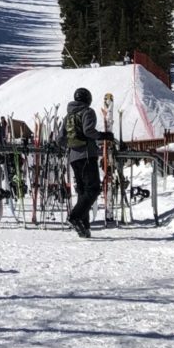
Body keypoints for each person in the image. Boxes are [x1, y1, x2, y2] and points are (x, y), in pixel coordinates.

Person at [64, 87, 113, 238]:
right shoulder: (87, 112)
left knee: (82, 191)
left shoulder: (68, 116)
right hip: (86, 154)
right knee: (92, 189)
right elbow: (88, 131)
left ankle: (84, 227)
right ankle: (75, 217)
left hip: (73, 157)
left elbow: (60, 137)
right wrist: (104, 135)